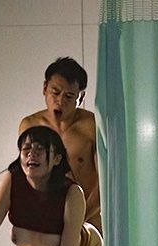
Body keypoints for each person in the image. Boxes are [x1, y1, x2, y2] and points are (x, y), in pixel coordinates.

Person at [19, 56, 101, 232]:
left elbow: (106, 182)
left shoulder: (92, 126)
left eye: (69, 96)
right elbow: (25, 178)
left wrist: (77, 220)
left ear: (81, 96)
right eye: (55, 92)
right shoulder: (30, 126)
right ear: (44, 88)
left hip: (89, 222)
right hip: (46, 224)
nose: (61, 101)